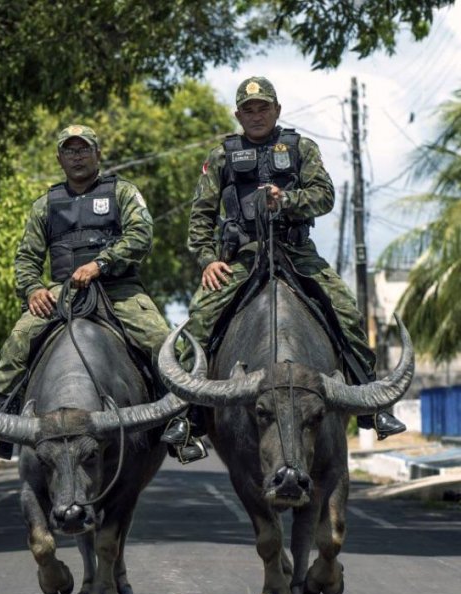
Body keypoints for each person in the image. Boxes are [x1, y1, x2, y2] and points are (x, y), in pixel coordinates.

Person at [161, 76, 406, 449]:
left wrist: (286, 200)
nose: (256, 115)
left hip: (296, 251)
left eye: (263, 108)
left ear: (277, 110)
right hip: (242, 256)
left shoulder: (300, 147)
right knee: (199, 321)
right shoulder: (221, 156)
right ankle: (188, 416)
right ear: (238, 115)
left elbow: (324, 196)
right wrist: (209, 260)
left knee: (347, 313)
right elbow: (200, 217)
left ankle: (372, 405)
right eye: (249, 110)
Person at [0, 124, 190, 459]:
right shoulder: (45, 204)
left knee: (162, 341)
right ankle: (2, 424)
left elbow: (140, 236)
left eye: (83, 149)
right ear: (59, 157)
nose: (77, 156)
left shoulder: (123, 192)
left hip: (119, 290)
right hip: (63, 292)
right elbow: (26, 256)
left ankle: (182, 423)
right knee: (17, 342)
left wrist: (101, 264)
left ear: (97, 154)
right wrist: (32, 289)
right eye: (70, 150)